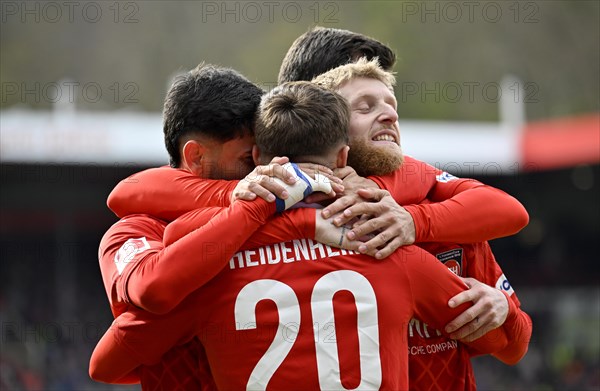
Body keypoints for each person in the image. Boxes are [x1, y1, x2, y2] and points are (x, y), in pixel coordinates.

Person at [91, 81, 517, 390]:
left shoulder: (209, 271)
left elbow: (107, 364)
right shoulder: (391, 252)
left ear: (266, 154)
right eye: (364, 107)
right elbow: (508, 341)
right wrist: (295, 217)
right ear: (343, 152)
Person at [91, 64, 347, 387]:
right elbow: (152, 288)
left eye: (260, 157)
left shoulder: (286, 204)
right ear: (196, 156)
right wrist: (249, 204)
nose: (260, 170)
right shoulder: (132, 231)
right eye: (246, 160)